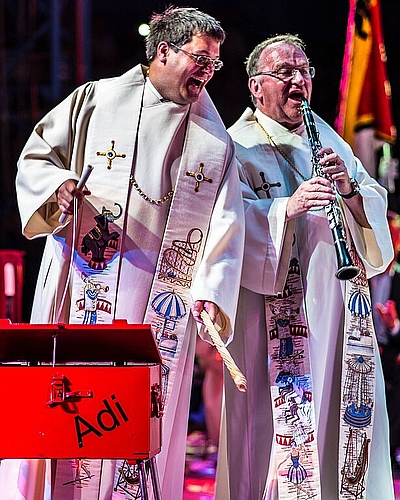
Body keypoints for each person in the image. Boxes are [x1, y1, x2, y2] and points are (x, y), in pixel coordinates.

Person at [3, 6, 244, 500]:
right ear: (163, 51)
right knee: (74, 411)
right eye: (201, 58)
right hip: (86, 282)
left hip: (158, 305)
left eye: (215, 63)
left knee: (141, 423)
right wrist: (60, 186)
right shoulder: (98, 99)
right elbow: (37, 156)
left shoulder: (214, 139)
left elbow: (227, 219)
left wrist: (213, 291)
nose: (208, 71)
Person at [216, 34, 394, 500]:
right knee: (274, 434)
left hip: (338, 313)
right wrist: (283, 209)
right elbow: (226, 225)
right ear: (257, 87)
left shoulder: (326, 135)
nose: (299, 81)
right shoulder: (235, 146)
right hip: (273, 312)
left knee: (342, 420)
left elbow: (373, 202)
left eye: (305, 71)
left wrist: (352, 194)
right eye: (285, 73)